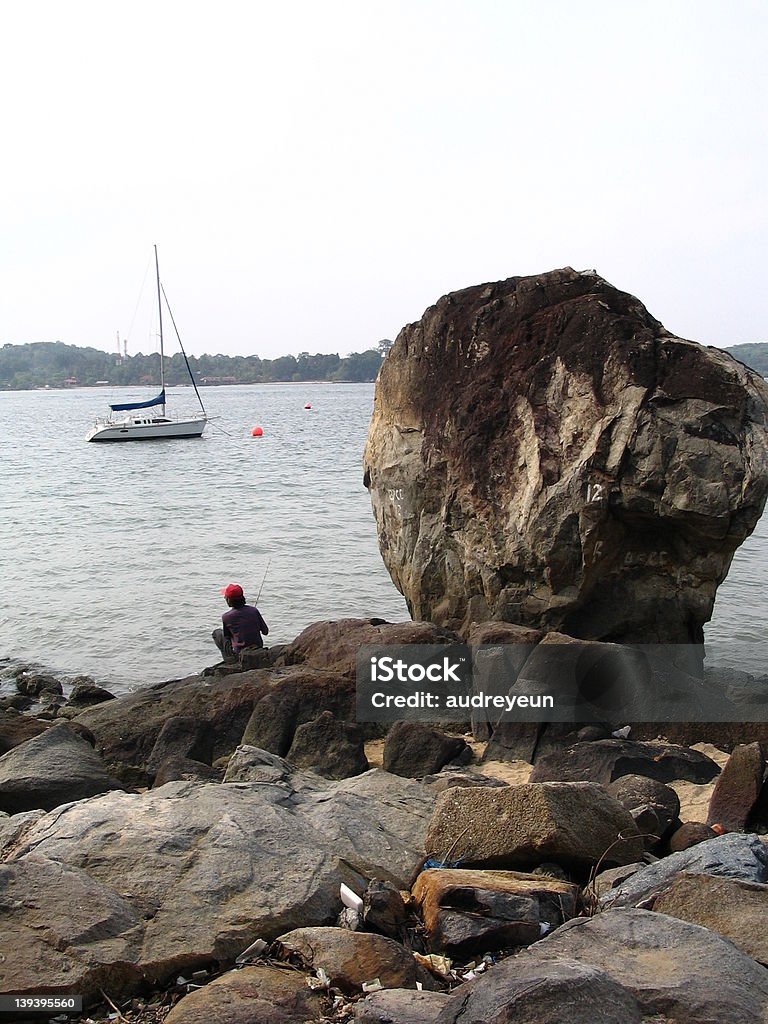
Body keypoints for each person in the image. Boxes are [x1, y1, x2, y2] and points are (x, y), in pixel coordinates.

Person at [212, 583, 269, 660]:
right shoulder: (254, 610)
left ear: (229, 600)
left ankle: (229, 660)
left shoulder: (226, 617)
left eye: (225, 597)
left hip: (239, 653)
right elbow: (265, 631)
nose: (225, 598)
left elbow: (227, 637)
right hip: (257, 649)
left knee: (217, 633)